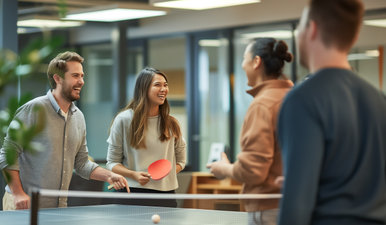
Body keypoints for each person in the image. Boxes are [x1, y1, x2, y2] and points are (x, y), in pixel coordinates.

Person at [277, 0, 386, 224]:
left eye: (300, 26)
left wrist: (296, 185)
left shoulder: (302, 100)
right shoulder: (379, 100)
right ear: (353, 38)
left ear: (312, 29)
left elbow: (296, 208)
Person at [0, 51, 129, 210]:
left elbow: (81, 164)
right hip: (23, 205)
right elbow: (7, 154)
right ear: (57, 78)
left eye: (82, 76)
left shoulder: (78, 117)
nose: (81, 81)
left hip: (58, 208)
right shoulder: (34, 109)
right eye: (75, 76)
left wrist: (109, 175)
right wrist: (18, 193)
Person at [207, 38, 293, 225]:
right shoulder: (295, 97)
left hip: (268, 209)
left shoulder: (263, 104)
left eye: (244, 58)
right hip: (295, 203)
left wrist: (224, 168)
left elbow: (254, 170)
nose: (242, 64)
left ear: (256, 62)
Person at [106, 67, 186, 207]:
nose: (163, 89)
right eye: (157, 85)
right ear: (143, 88)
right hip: (131, 193)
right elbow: (112, 163)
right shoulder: (123, 120)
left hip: (166, 195)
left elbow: (181, 161)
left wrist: (164, 172)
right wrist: (133, 175)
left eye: (165, 85)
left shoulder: (172, 123)